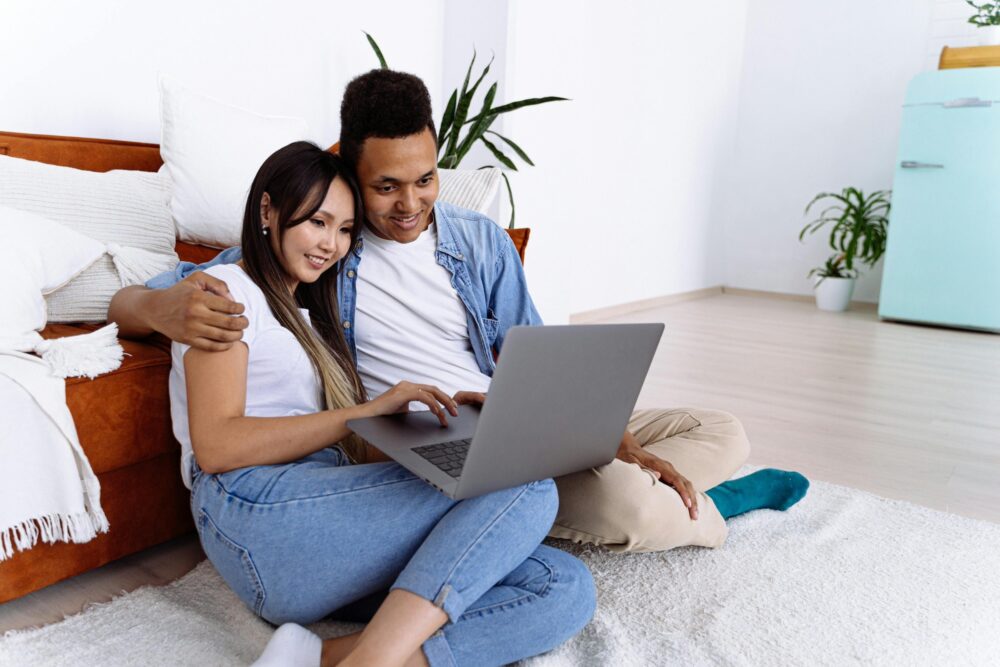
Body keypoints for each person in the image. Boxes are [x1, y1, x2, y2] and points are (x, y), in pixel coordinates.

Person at [110, 69, 809, 556]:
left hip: (517, 419)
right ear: (350, 172)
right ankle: (718, 510)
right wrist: (162, 305)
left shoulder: (478, 240)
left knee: (721, 429)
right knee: (625, 505)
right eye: (385, 187)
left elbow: (536, 359)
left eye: (425, 178)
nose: (410, 204)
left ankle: (661, 486)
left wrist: (607, 436)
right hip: (434, 447)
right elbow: (140, 299)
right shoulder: (316, 248)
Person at [166, 141, 595, 667]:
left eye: (345, 230)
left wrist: (435, 433)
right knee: (525, 481)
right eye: (317, 222)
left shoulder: (309, 314)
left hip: (323, 518)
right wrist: (361, 414)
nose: (331, 244)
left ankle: (324, 659)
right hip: (254, 513)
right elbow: (216, 446)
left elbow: (337, 454)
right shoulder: (224, 294)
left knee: (561, 584)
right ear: (267, 211)